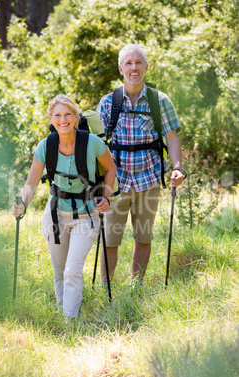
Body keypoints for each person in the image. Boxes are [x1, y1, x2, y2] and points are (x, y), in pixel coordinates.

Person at [12, 94, 116, 317]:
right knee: (59, 271)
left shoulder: (92, 143)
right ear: (51, 118)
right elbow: (31, 182)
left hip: (86, 215)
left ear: (76, 117)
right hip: (55, 215)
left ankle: (71, 323)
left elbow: (110, 168)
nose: (63, 119)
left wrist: (105, 196)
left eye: (68, 114)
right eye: (57, 115)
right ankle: (63, 316)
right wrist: (22, 204)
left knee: (71, 271)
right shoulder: (45, 146)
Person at [96, 44, 185, 287]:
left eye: (138, 63)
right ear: (120, 69)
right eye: (128, 63)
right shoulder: (107, 103)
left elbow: (172, 137)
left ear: (146, 67)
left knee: (143, 236)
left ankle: (137, 287)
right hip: (115, 183)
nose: (133, 67)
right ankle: (107, 290)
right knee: (110, 239)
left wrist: (177, 168)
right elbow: (96, 145)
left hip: (149, 180)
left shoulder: (160, 101)